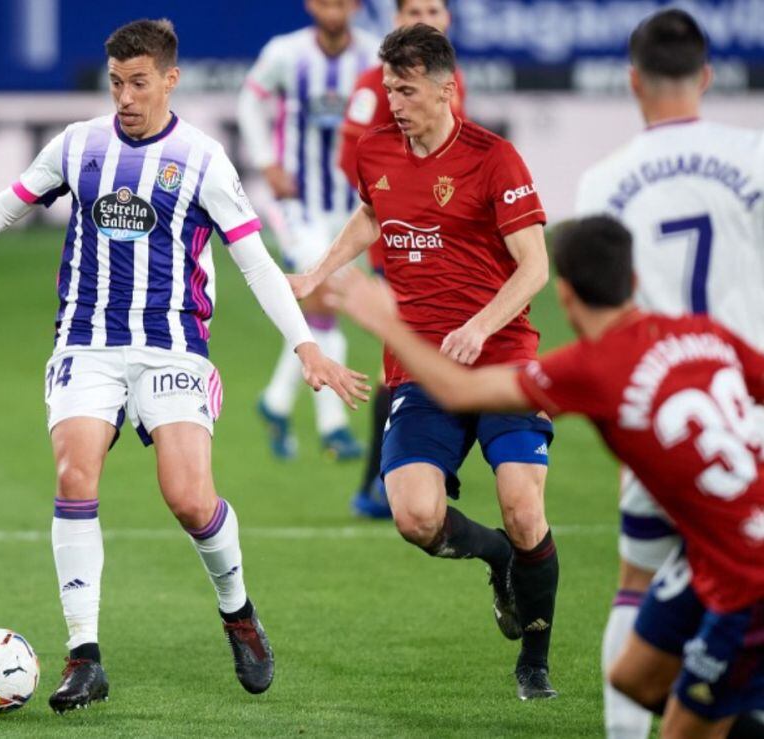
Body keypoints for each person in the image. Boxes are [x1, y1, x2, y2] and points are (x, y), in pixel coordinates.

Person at [0, 18, 368, 713]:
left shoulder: (202, 158)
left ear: (170, 79)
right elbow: (5, 207)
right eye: (115, 83)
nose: (125, 97)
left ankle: (238, 612)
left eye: (138, 83)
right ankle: (84, 656)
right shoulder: (78, 145)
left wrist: (304, 343)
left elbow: (252, 258)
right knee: (74, 473)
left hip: (172, 344)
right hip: (87, 341)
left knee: (190, 498)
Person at [330, 215, 764, 739]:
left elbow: (462, 393)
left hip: (745, 574)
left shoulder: (593, 368)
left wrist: (387, 323)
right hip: (713, 552)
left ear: (564, 295)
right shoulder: (704, 334)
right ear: (633, 281)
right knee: (632, 678)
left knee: (687, 725)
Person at [290, 23, 559, 699]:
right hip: (416, 366)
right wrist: (316, 270)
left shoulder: (495, 159)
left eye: (407, 90)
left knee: (524, 508)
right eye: (388, 88)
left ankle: (535, 658)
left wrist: (480, 324)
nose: (394, 103)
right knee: (412, 515)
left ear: (447, 89)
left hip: (499, 359)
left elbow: (534, 268)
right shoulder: (377, 150)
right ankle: (495, 556)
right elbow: (371, 216)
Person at [574, 9, 764, 737]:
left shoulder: (601, 183)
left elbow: (596, 308)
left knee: (638, 582)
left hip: (660, 410)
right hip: (746, 404)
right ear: (707, 77)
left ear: (633, 82)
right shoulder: (751, 156)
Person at [337, 0, 466, 519]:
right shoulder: (374, 85)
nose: (426, 16)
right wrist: (401, 207)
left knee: (432, 354)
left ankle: (416, 469)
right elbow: (352, 158)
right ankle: (378, 480)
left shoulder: (451, 81)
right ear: (394, 19)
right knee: (402, 357)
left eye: (435, 8)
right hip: (401, 245)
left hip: (447, 249)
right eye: (415, 8)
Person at [237, 0, 380, 461]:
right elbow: (248, 101)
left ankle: (276, 404)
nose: (333, 8)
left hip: (353, 206)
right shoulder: (286, 53)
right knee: (323, 297)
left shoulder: (374, 57)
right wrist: (266, 162)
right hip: (300, 204)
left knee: (327, 303)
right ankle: (333, 424)